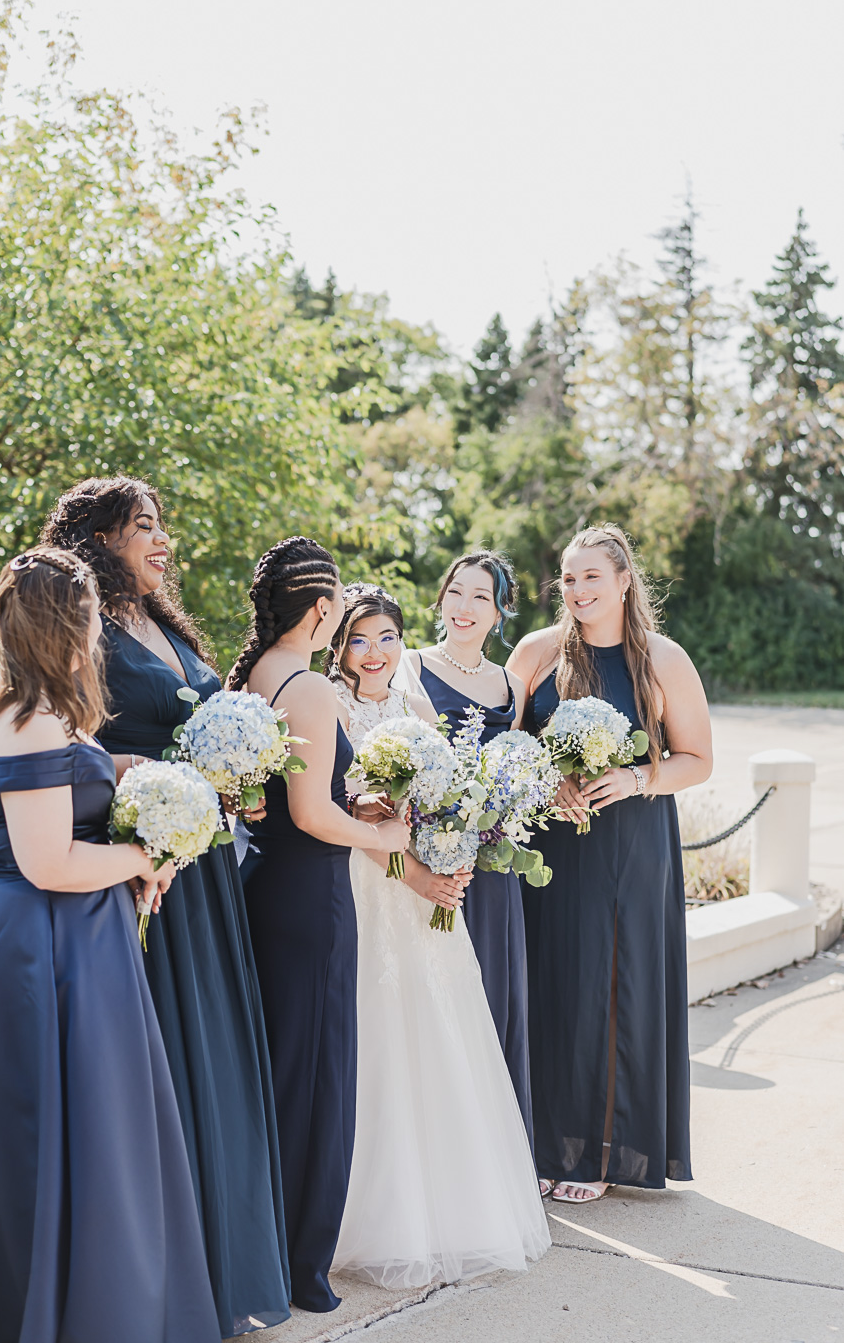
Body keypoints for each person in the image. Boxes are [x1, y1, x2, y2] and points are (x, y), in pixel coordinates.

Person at [0, 547, 219, 1343]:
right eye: (90, 619)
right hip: (47, 947)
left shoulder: (15, 710)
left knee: (79, 1127)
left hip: (47, 934)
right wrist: (145, 857)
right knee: (61, 1129)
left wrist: (126, 781)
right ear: (65, 622)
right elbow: (50, 862)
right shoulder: (31, 720)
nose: (97, 637)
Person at [40, 479, 291, 1337]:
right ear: (100, 539)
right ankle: (168, 1279)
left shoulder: (167, 626)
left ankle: (227, 1265)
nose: (163, 543)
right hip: (145, 871)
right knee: (168, 1058)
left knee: (215, 1045)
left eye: (161, 528)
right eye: (144, 528)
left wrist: (233, 781)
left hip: (204, 862)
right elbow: (69, 743)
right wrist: (146, 781)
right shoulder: (82, 629)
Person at [328, 585, 550, 1289]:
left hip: (424, 887)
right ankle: (369, 1215)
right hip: (370, 883)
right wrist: (415, 871)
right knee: (378, 1033)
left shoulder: (416, 704)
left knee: (440, 1031)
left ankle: (456, 1209)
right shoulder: (329, 706)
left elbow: (448, 795)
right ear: (339, 645)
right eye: (360, 639)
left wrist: (451, 858)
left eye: (387, 636)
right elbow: (352, 821)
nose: (375, 653)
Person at [228, 540, 410, 1313]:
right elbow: (311, 813)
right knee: (316, 1081)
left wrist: (352, 808)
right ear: (323, 608)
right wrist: (386, 837)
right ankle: (302, 1268)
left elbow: (288, 798)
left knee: (278, 1072)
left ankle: (264, 1247)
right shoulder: (304, 688)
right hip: (311, 900)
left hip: (266, 888)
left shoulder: (251, 676)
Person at [507, 524, 712, 1203]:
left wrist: (637, 779)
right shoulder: (536, 653)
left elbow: (697, 760)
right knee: (548, 986)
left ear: (624, 581)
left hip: (630, 847)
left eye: (592, 576)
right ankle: (543, 1142)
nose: (578, 590)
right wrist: (545, 780)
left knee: (610, 992)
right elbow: (499, 750)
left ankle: (598, 1152)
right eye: (568, 578)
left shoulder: (662, 659)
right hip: (551, 846)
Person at [406, 551, 533, 1136]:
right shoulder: (409, 666)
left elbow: (512, 767)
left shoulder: (509, 682)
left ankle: (495, 1144)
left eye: (480, 597)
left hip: (492, 862)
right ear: (441, 599)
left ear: (499, 610)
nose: (465, 607)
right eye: (456, 592)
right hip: (430, 859)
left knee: (491, 989)